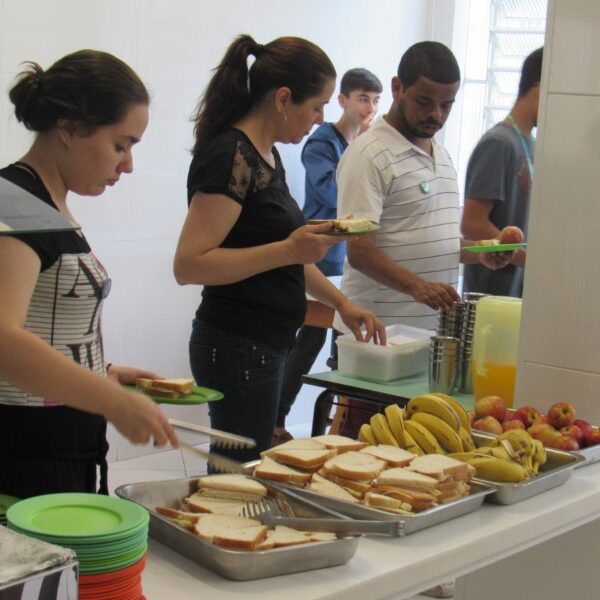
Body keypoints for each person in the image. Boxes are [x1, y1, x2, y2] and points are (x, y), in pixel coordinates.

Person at [173, 35, 386, 464]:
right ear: (284, 99)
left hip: (261, 343)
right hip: (237, 343)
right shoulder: (232, 155)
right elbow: (189, 264)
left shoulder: (267, 155)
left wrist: (342, 303)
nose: (320, 118)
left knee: (244, 467)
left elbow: (289, 255)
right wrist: (288, 249)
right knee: (238, 472)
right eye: (317, 106)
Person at [0, 50, 179, 500]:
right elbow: (3, 339)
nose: (128, 164)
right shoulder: (13, 202)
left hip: (58, 447)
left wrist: (103, 373)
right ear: (69, 129)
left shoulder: (46, 201)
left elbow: (41, 323)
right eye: (121, 145)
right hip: (22, 456)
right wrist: (110, 400)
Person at [334, 41, 510, 335]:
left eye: (446, 105)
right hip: (374, 334)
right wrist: (416, 286)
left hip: (428, 334)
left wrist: (480, 252)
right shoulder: (368, 154)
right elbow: (360, 251)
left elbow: (435, 244)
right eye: (424, 102)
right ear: (397, 88)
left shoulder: (441, 154)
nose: (436, 114)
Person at [274, 68, 383, 445]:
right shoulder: (321, 142)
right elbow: (335, 196)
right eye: (363, 98)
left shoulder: (363, 145)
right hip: (317, 257)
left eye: (375, 100)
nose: (369, 107)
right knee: (307, 342)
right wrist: (360, 150)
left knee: (332, 342)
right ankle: (277, 420)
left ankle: (340, 425)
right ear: (343, 100)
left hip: (345, 264)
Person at [461, 47, 543, 297]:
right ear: (539, 87)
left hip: (517, 293)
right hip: (491, 294)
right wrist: (534, 262)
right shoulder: (499, 143)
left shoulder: (532, 144)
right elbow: (472, 223)